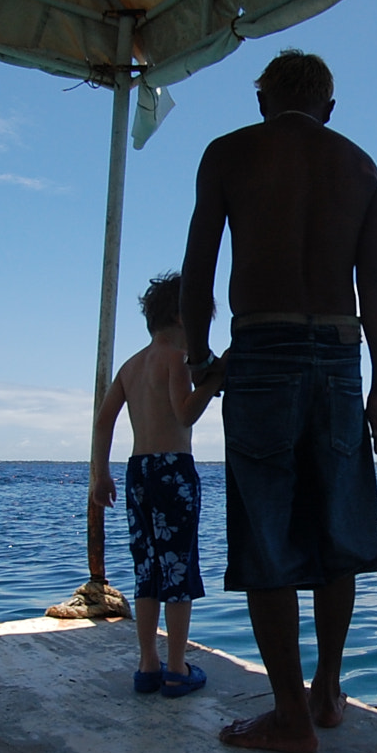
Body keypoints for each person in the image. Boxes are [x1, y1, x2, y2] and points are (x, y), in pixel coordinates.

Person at [180, 49, 377, 753]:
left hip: (263, 352)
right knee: (337, 533)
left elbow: (199, 269)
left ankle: (289, 716)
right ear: (329, 107)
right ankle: (328, 693)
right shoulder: (361, 167)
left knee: (267, 534)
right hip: (341, 359)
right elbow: (375, 288)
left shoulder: (228, 154)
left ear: (262, 100)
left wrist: (197, 357)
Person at [89, 272, 224, 697]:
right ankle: (177, 667)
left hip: (138, 472)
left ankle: (148, 664)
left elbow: (104, 421)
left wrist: (100, 474)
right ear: (182, 317)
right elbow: (184, 414)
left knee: (147, 570)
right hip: (173, 471)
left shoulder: (132, 365)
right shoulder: (175, 360)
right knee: (178, 569)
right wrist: (215, 380)